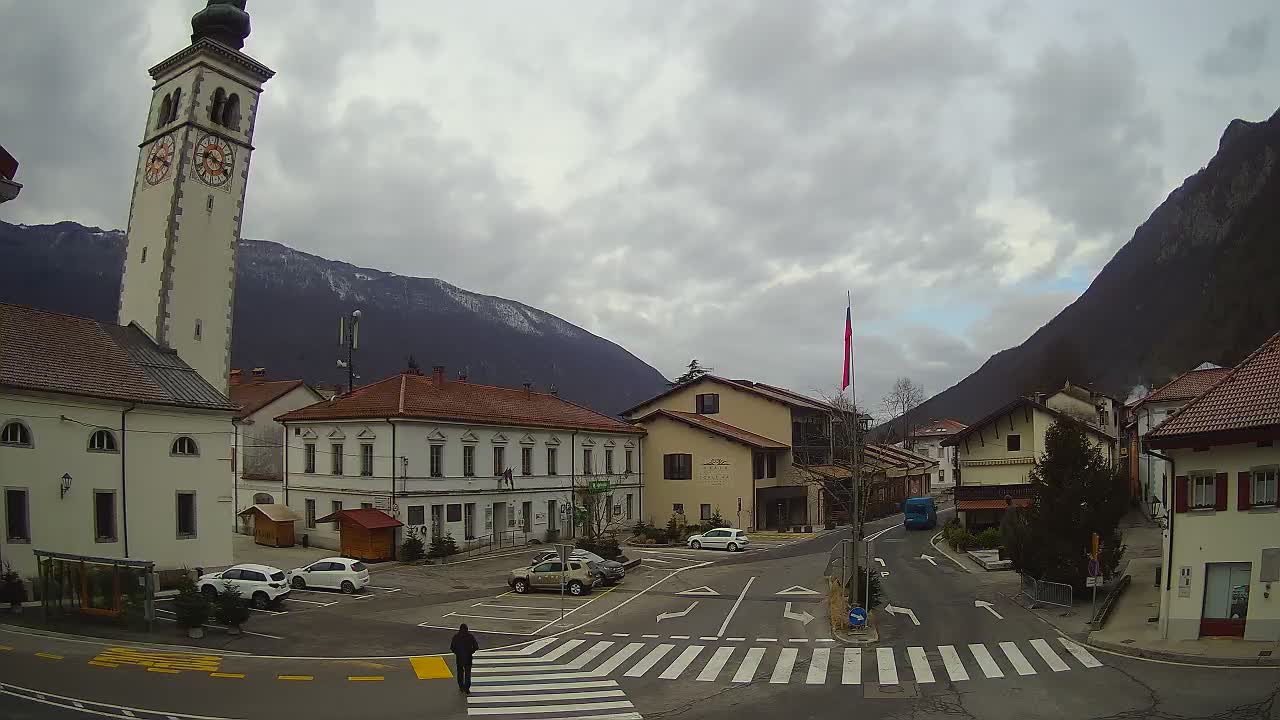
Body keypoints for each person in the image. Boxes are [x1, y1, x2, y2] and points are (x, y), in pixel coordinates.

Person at [450, 623, 479, 693]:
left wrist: (457, 653)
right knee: (467, 673)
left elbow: (452, 647)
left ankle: (461, 686)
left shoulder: (456, 636)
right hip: (468, 658)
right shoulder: (470, 636)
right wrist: (471, 652)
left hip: (459, 658)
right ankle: (467, 688)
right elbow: (476, 647)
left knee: (460, 672)